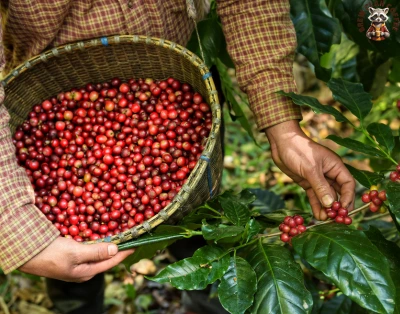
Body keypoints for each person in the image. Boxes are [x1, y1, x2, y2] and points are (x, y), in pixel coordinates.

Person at [0, 0, 356, 312]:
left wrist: (283, 125)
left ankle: (205, 306)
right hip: (50, 75)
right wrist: (20, 230)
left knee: (201, 233)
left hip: (176, 65)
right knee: (68, 265)